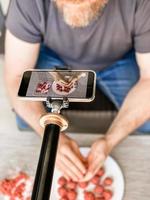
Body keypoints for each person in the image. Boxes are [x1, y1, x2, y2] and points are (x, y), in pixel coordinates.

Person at [4, 0, 150, 182]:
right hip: (56, 57)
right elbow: (16, 76)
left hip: (117, 59)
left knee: (146, 124)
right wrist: (49, 136)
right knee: (25, 119)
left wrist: (110, 139)